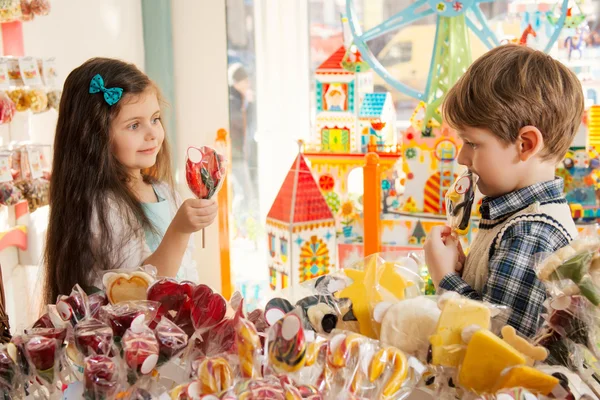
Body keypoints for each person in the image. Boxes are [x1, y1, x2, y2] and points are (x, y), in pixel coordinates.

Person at [424, 44, 584, 337]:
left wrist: (445, 278)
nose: (461, 157)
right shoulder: (514, 219)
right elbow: (492, 304)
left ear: (525, 144)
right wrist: (462, 273)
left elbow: (498, 342)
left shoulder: (531, 233)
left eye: (472, 143)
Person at [43, 58, 218, 304]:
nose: (152, 134)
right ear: (95, 137)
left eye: (155, 119)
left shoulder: (165, 192)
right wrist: (179, 230)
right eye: (134, 125)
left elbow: (185, 272)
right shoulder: (102, 208)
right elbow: (136, 294)